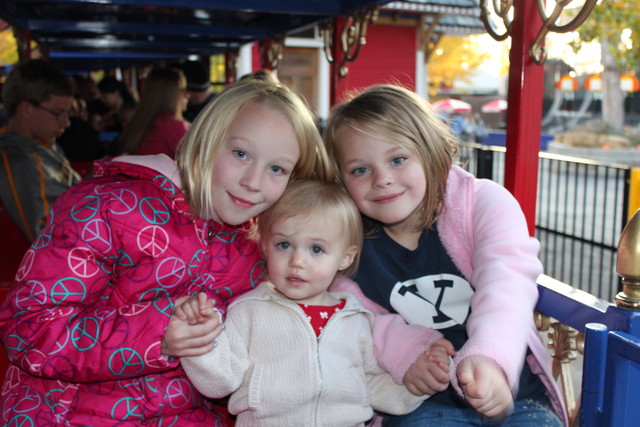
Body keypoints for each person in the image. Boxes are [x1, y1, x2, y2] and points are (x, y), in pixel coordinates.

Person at [0, 78, 332, 426]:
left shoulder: (263, 246)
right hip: (64, 410)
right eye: (240, 154)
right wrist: (158, 335)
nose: (253, 181)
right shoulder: (107, 207)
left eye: (276, 169)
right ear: (206, 142)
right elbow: (29, 328)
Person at [323, 84, 567, 427]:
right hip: (416, 402)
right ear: (341, 180)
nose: (382, 179)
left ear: (429, 152)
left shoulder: (482, 205)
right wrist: (404, 353)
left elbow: (507, 282)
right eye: (360, 170)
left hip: (513, 394)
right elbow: (346, 315)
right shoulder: (344, 237)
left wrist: (490, 358)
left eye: (397, 159)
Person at [178, 179, 451, 425]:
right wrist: (198, 341)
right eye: (284, 245)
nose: (297, 261)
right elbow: (219, 382)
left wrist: (427, 378)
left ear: (345, 257)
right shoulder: (248, 311)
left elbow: (373, 387)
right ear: (264, 244)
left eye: (316, 249)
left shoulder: (356, 318)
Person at [0, 58, 81, 242]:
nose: (66, 122)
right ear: (26, 109)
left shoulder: (46, 146)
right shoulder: (18, 162)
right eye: (58, 113)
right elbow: (48, 237)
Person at [117, 67, 189, 158]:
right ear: (173, 94)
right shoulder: (172, 127)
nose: (187, 94)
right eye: (183, 90)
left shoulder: (137, 121)